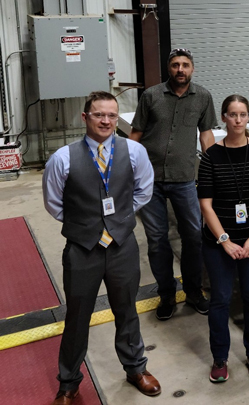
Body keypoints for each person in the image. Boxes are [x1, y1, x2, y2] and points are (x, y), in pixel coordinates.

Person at [43, 91, 161, 404]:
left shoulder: (134, 151)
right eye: (99, 114)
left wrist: (118, 219)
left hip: (122, 246)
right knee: (77, 316)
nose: (106, 121)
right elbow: (54, 203)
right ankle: (68, 382)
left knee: (127, 310)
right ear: (86, 117)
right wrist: (86, 225)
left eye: (111, 115)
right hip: (82, 250)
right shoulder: (62, 158)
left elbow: (144, 191)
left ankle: (135, 368)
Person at [130, 48, 217, 320]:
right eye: (176, 65)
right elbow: (136, 134)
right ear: (169, 68)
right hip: (149, 179)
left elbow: (206, 135)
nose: (181, 69)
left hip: (184, 179)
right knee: (157, 239)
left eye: (185, 65)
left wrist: (214, 171)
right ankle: (166, 294)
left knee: (193, 235)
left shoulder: (203, 96)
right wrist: (125, 169)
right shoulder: (151, 96)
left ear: (192, 69)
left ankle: (193, 291)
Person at [198, 95, 249, 382]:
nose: (238, 120)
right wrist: (224, 240)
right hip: (219, 243)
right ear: (223, 118)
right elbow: (205, 204)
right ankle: (219, 358)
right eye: (232, 114)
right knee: (220, 299)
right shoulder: (211, 156)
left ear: (248, 117)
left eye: (243, 114)